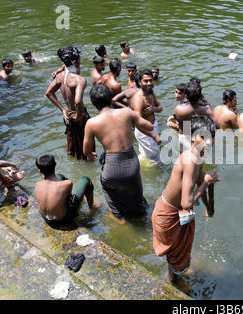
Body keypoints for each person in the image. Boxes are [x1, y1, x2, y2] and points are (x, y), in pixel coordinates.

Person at [152, 115, 219, 282]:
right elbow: (187, 202)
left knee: (176, 257)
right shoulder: (190, 160)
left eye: (211, 137)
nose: (208, 141)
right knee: (177, 259)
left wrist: (208, 207)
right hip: (168, 214)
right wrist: (206, 182)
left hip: (172, 212)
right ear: (192, 137)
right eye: (203, 137)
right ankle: (171, 284)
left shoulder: (198, 157)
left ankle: (171, 278)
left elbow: (200, 184)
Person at [83, 84, 160, 223]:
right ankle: (141, 216)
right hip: (132, 163)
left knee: (107, 186)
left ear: (94, 104)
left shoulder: (91, 123)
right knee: (138, 199)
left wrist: (91, 155)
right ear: (111, 99)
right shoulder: (126, 113)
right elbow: (149, 126)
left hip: (112, 166)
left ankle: (120, 218)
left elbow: (86, 151)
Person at [45, 46, 92, 160]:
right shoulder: (79, 80)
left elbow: (48, 93)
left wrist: (63, 110)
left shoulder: (60, 77)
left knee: (73, 148)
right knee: (87, 150)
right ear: (75, 61)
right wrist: (79, 116)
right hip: (78, 116)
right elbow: (78, 101)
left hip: (68, 115)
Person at [35, 153, 94, 227]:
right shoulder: (68, 184)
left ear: (40, 171)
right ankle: (91, 209)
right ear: (55, 164)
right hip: (63, 219)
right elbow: (69, 199)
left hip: (46, 218)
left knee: (59, 176)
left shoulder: (37, 184)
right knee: (85, 180)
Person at [130, 69, 163, 163]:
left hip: (152, 126)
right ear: (140, 82)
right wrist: (153, 136)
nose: (149, 83)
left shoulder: (151, 93)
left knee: (147, 155)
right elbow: (137, 123)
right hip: (144, 132)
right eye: (145, 81)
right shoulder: (138, 99)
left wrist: (154, 109)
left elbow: (160, 108)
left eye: (150, 80)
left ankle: (140, 165)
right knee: (155, 158)